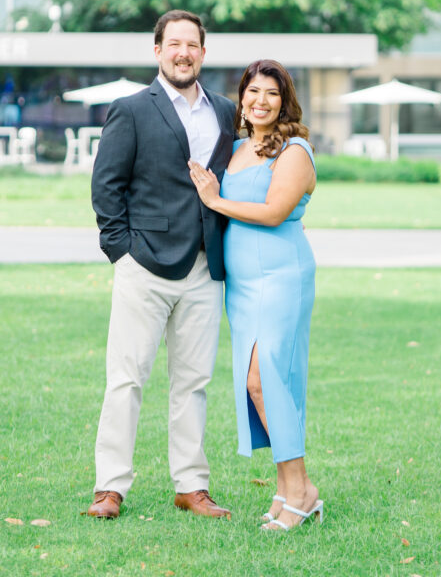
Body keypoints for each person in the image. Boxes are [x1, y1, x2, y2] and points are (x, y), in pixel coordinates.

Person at [87, 9, 237, 520]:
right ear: (158, 51)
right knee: (126, 379)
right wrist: (122, 251)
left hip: (203, 267)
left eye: (192, 45)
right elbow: (106, 187)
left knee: (193, 382)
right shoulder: (131, 109)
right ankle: (109, 487)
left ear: (202, 52)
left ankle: (191, 486)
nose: (183, 53)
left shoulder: (224, 110)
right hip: (143, 267)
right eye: (174, 44)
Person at [188, 59, 322, 533]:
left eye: (271, 93)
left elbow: (273, 211)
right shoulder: (239, 147)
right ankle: (288, 490)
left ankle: (302, 488)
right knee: (260, 382)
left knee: (266, 381)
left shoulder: (295, 151)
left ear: (285, 101)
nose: (259, 101)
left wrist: (215, 200)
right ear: (241, 96)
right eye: (252, 91)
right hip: (243, 284)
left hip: (281, 276)